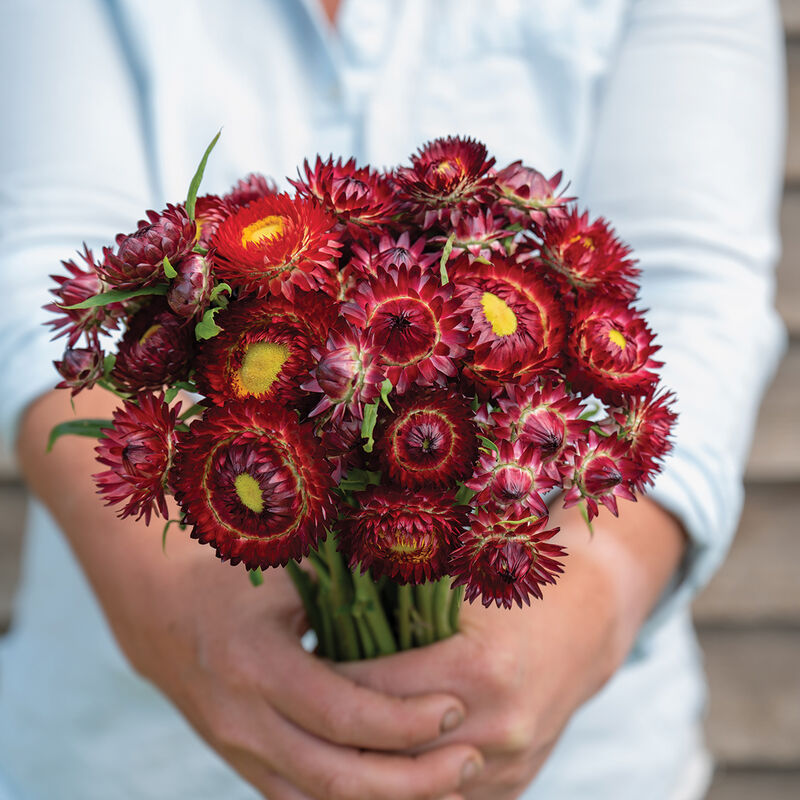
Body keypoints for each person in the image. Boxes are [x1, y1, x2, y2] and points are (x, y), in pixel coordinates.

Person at [0, 0, 786, 798]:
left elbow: (699, 283)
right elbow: (36, 249)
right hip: (130, 755)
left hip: (578, 760)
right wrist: (163, 596)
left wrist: (602, 584)